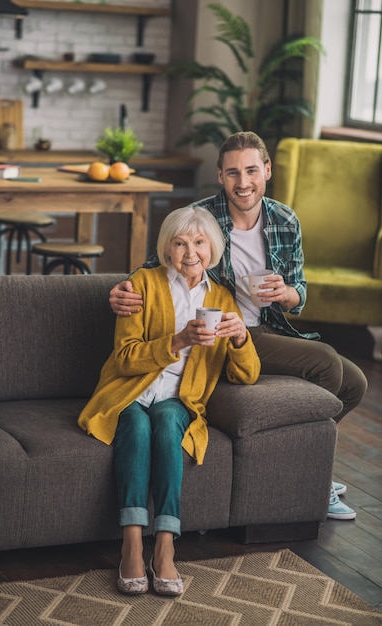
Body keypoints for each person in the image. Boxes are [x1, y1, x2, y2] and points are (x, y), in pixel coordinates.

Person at [109, 131, 368, 522]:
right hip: (232, 332)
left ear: (266, 171)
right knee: (328, 364)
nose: (243, 182)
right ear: (220, 176)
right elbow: (157, 264)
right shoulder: (202, 217)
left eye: (251, 171)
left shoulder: (284, 219)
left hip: (273, 327)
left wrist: (287, 294)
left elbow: (300, 288)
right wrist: (119, 290)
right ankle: (313, 477)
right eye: (233, 173)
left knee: (356, 383)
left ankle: (310, 467)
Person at [78, 205, 260, 596]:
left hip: (180, 398)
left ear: (213, 247)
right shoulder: (142, 283)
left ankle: (164, 545)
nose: (190, 252)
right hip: (130, 391)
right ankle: (131, 543)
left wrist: (242, 338)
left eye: (199, 242)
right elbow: (125, 357)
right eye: (179, 243)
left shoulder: (223, 298)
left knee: (165, 423)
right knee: (138, 423)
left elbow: (246, 375)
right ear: (167, 248)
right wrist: (178, 341)